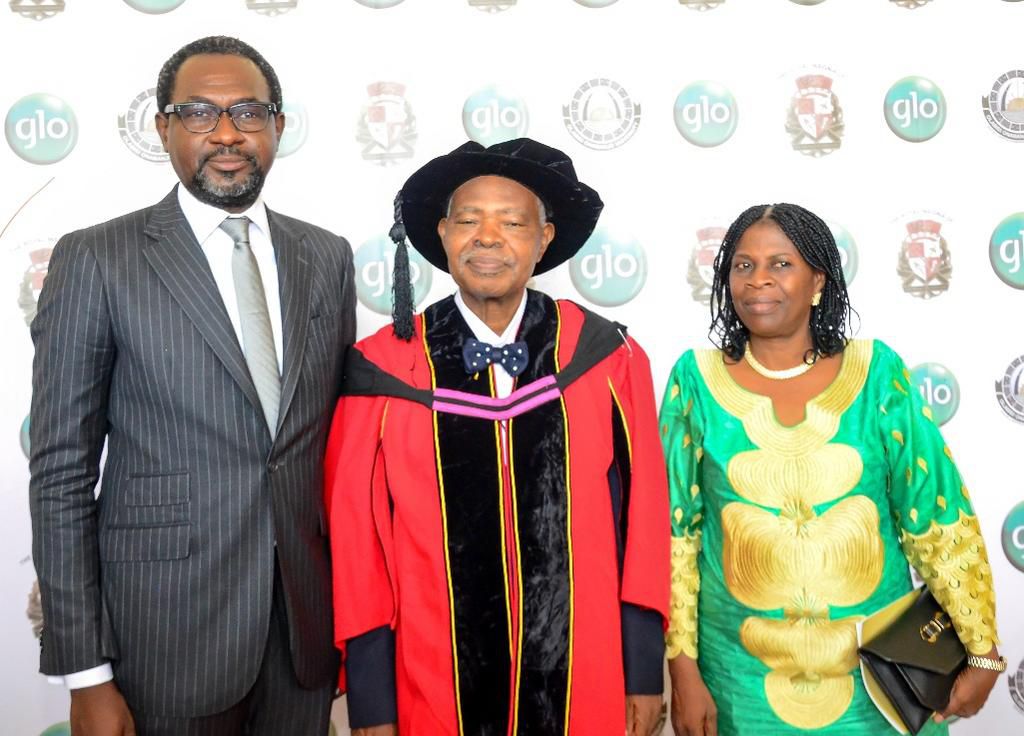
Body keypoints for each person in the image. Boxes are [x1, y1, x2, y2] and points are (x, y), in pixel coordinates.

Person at [29, 36, 355, 735]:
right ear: (162, 128)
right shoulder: (98, 258)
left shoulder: (326, 256)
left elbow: (329, 447)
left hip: (303, 637)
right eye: (200, 113)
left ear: (278, 126)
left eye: (249, 112)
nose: (227, 133)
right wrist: (86, 673)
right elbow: (60, 472)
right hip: (162, 638)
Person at [324, 138, 669, 736]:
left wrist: (642, 668)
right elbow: (358, 546)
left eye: (511, 222)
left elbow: (641, 520)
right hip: (430, 682)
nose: (487, 238)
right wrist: (373, 702)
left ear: (544, 238)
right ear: (442, 235)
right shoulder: (384, 371)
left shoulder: (604, 357)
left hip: (584, 677)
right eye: (468, 220)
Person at [660, 203, 1004, 736]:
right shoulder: (694, 381)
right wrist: (682, 669)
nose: (758, 280)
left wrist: (982, 650)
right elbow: (675, 537)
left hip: (878, 689)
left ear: (818, 281)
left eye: (781, 264)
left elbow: (937, 518)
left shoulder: (876, 373)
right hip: (738, 688)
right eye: (743, 265)